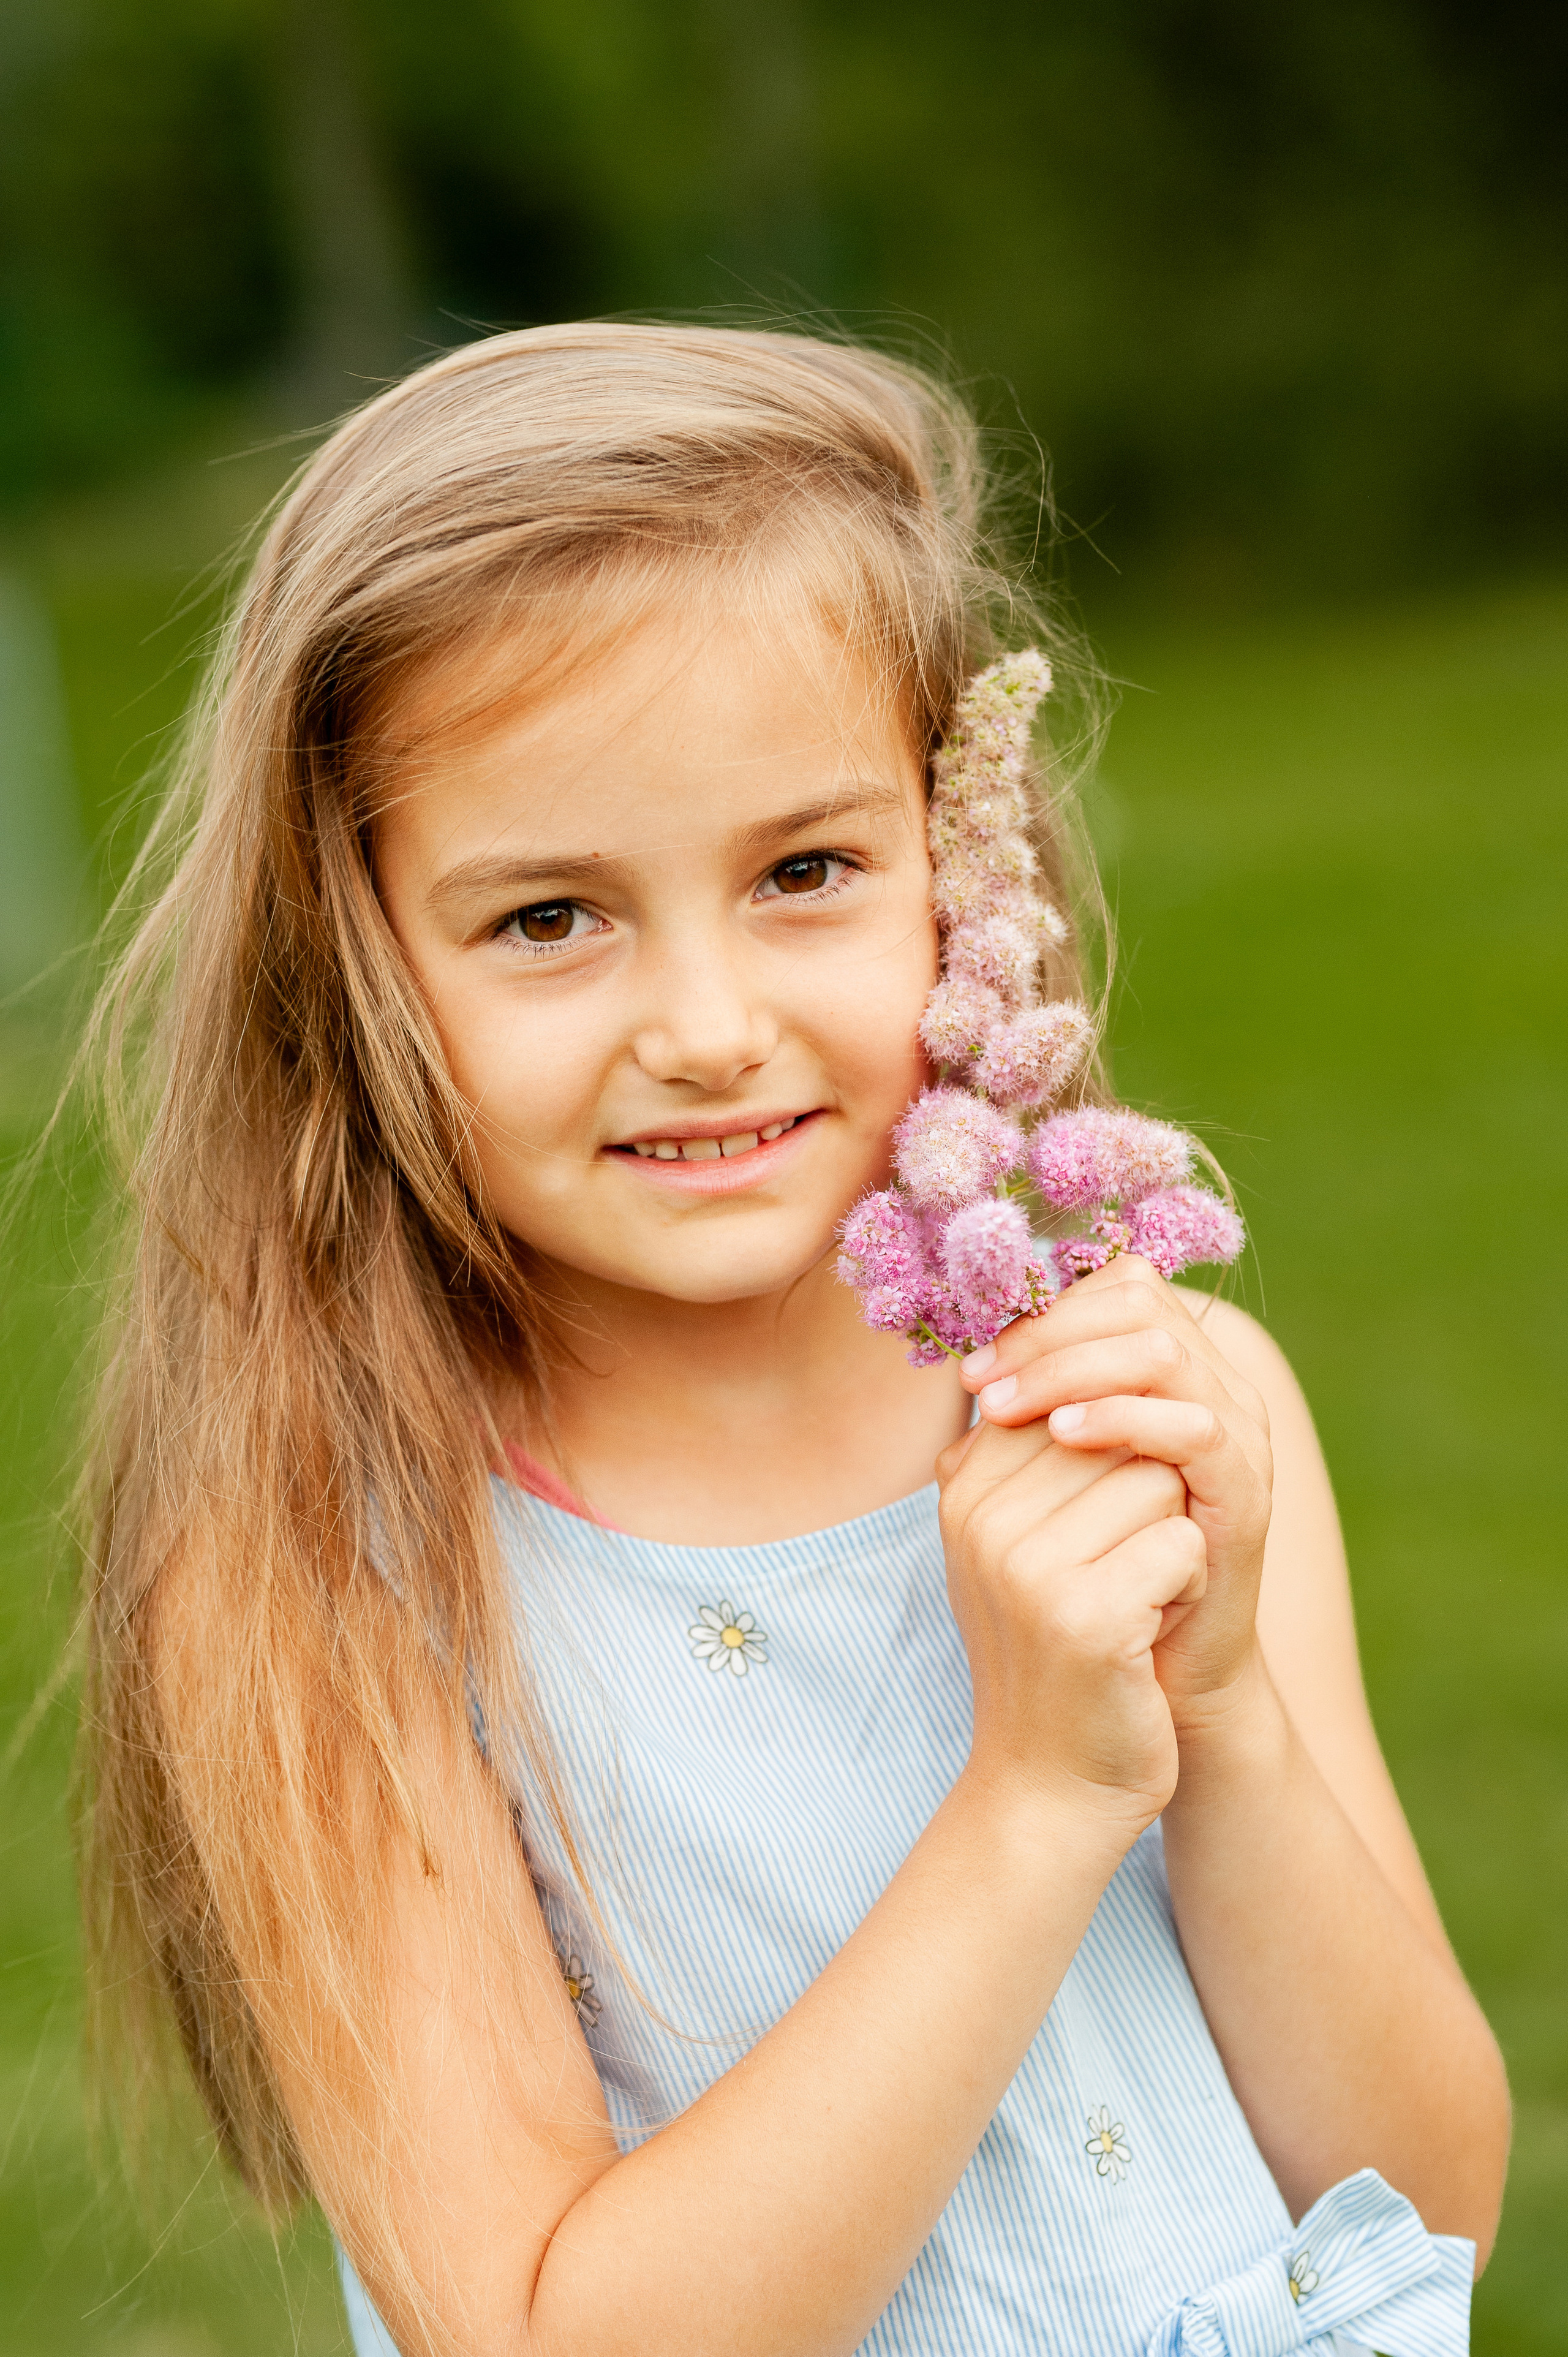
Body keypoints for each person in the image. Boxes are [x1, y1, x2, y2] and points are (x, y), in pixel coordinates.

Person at [80, 323, 1507, 2357]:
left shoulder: (1157, 1408)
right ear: (355, 954)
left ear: (957, 869)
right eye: (549, 918)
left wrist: (1227, 1729)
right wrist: (1030, 1800)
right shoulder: (329, 1571)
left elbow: (1418, 2201)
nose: (708, 1024)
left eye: (808, 872)